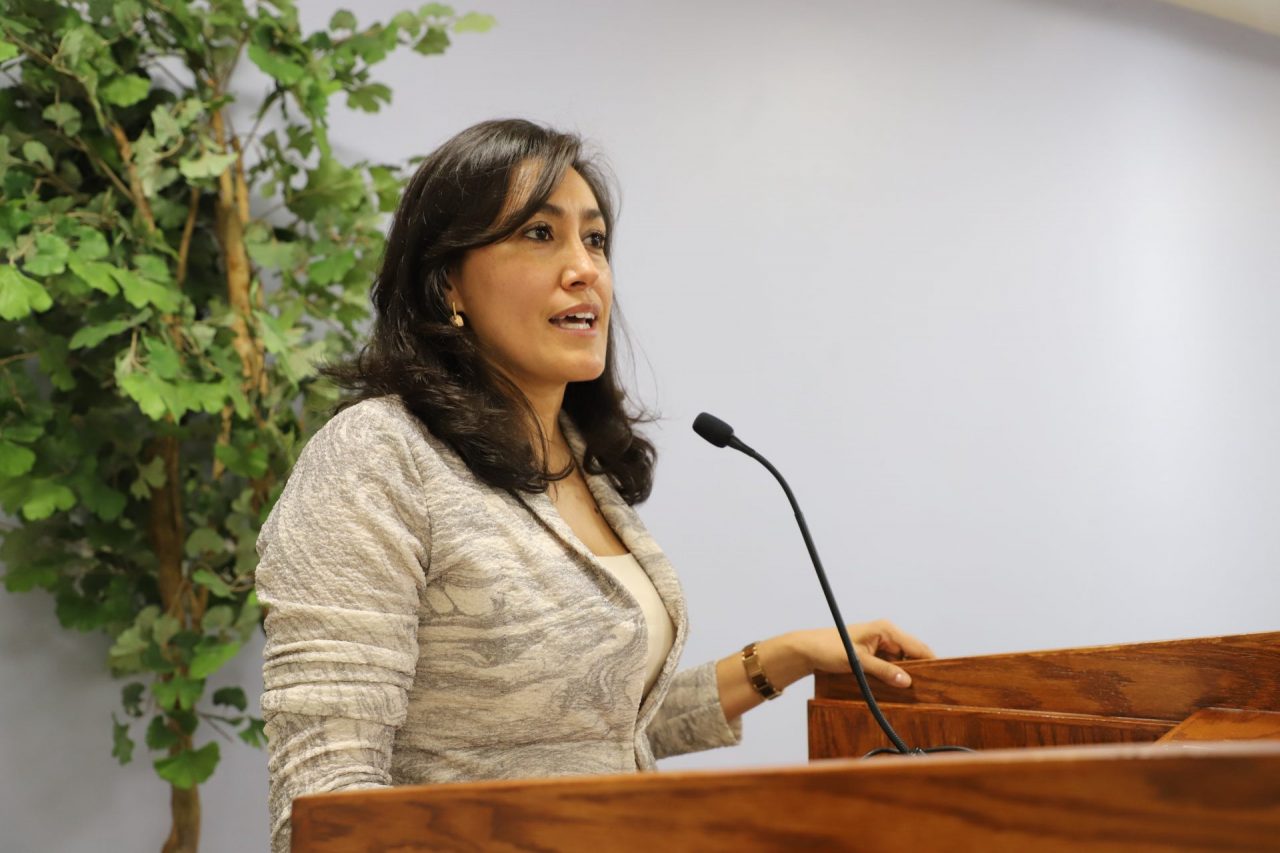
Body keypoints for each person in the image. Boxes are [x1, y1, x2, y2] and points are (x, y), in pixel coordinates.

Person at [255, 118, 932, 852]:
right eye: (540, 234)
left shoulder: (582, 457)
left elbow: (591, 725)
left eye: (596, 239)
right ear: (448, 281)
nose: (584, 269)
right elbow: (326, 798)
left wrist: (784, 657)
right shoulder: (378, 456)